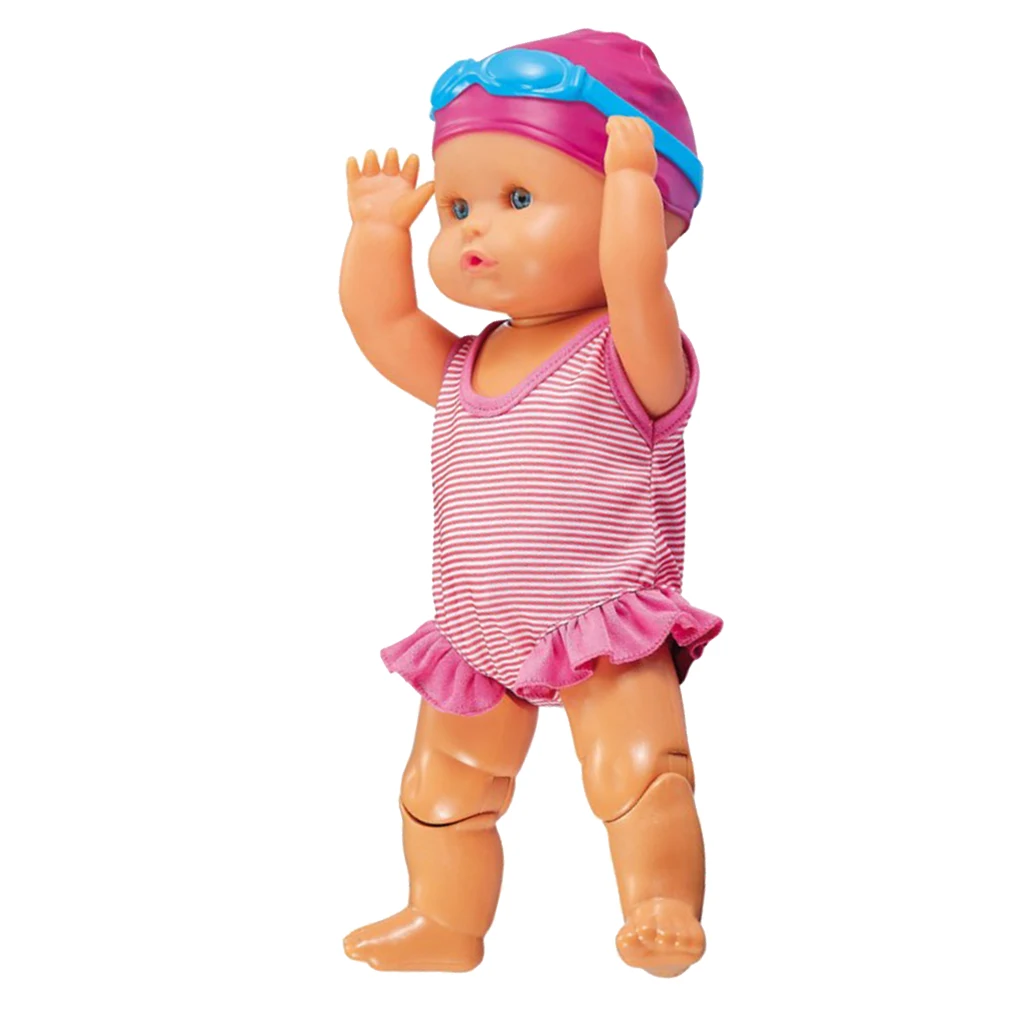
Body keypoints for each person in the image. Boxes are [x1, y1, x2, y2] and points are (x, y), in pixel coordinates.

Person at [339, 28, 723, 977]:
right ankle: (442, 918)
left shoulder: (629, 353)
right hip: (480, 629)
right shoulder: (464, 363)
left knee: (639, 772)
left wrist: (629, 190)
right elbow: (384, 323)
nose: (474, 229)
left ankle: (661, 906)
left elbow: (636, 281)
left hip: (603, 623)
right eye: (457, 206)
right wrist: (378, 234)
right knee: (440, 788)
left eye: (517, 200)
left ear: (650, 216)